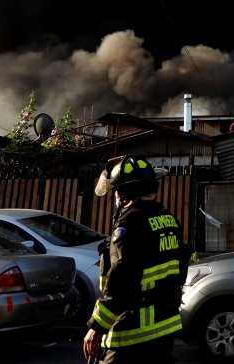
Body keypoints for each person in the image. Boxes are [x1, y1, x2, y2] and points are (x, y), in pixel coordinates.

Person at [83, 156, 187, 364]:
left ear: (122, 194)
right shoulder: (169, 220)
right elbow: (181, 269)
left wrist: (97, 327)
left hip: (134, 332)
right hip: (166, 326)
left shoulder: (129, 224)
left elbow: (122, 279)